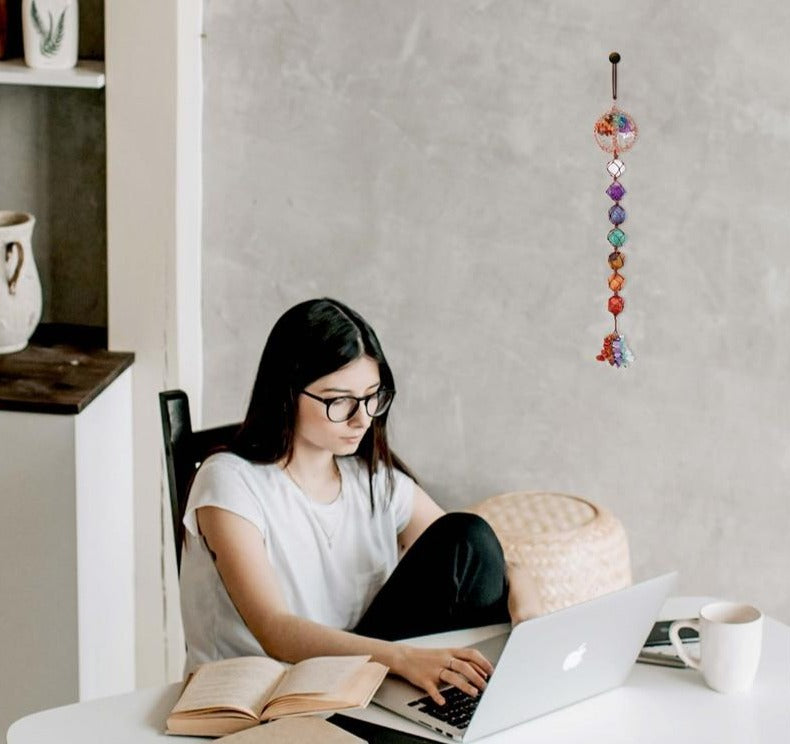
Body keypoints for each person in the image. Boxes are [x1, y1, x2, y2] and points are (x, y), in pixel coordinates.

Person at [179, 298, 542, 705]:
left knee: (467, 535)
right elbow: (273, 628)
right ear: (286, 394)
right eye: (340, 402)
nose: (362, 419)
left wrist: (526, 601)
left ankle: (485, 704)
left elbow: (477, 556)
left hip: (359, 680)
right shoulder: (229, 482)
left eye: (372, 397)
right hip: (263, 698)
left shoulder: (371, 479)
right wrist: (403, 659)